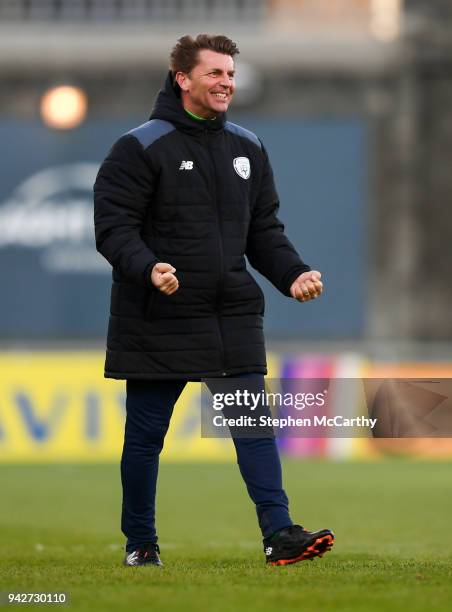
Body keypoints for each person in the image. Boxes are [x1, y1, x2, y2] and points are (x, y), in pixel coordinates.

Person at [94, 33, 334, 567]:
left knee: (253, 427)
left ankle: (279, 535)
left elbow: (264, 231)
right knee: (145, 441)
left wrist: (292, 273)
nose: (227, 83)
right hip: (159, 315)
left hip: (231, 314)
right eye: (215, 73)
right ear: (183, 79)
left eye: (231, 74)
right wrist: (148, 267)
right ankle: (141, 544)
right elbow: (113, 230)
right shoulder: (138, 147)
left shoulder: (248, 147)